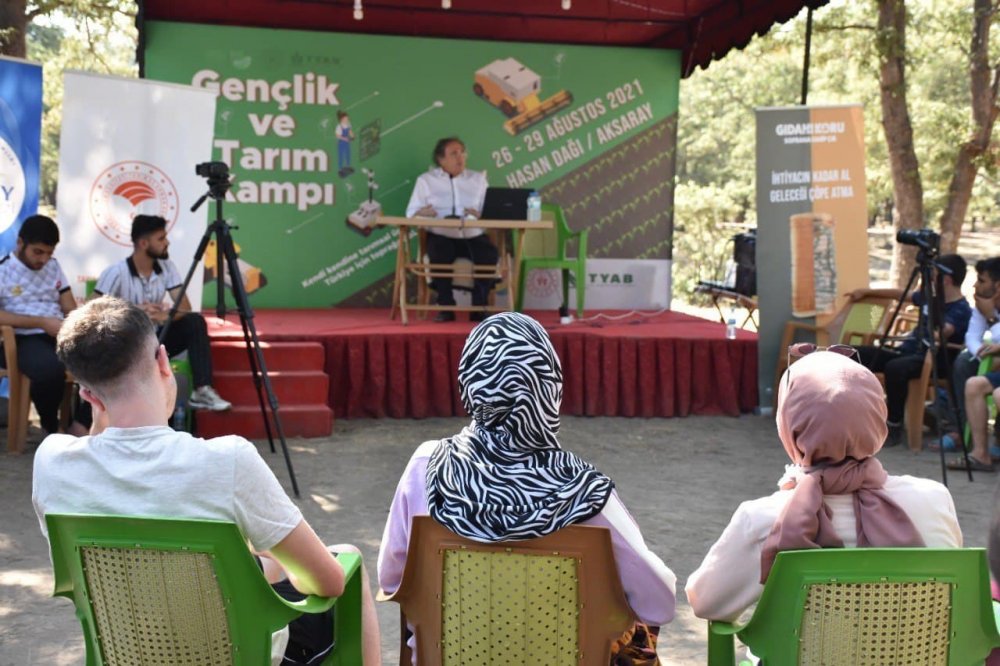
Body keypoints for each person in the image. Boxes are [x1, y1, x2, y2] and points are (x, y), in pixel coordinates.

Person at [32, 297, 381, 665]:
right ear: (163, 362)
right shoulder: (226, 460)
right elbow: (326, 583)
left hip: (130, 652)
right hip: (234, 653)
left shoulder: (53, 461)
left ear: (88, 395)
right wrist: (267, 565)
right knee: (346, 560)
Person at [378, 312, 675, 662]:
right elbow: (661, 601)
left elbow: (391, 579)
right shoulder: (585, 493)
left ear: (470, 383)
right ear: (550, 388)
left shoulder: (426, 468)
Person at [686, 350, 962, 623]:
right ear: (877, 418)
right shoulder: (934, 499)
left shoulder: (764, 519)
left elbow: (706, 603)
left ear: (788, 425)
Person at [92, 214, 231, 411]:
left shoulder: (166, 267)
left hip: (158, 338)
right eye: (161, 238)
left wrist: (165, 316)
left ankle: (202, 390)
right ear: (143, 243)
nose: (167, 242)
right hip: (127, 343)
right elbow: (91, 309)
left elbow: (184, 305)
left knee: (195, 321)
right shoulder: (116, 272)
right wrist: (135, 311)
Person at [849, 253, 971, 446]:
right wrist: (864, 291)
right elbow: (900, 294)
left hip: (934, 359)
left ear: (946, 280)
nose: (929, 279)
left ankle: (893, 425)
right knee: (852, 353)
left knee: (895, 368)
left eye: (933, 275)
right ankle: (848, 415)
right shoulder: (929, 298)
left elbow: (943, 332)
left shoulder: (961, 309)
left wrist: (934, 313)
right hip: (908, 352)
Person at [0, 215, 87, 436]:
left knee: (105, 357)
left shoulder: (53, 266)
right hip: (22, 338)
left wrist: (76, 326)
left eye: (49, 253)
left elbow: (68, 306)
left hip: (57, 332)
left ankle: (81, 424)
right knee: (50, 369)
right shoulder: (4, 269)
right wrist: (40, 322)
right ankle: (51, 426)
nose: (44, 259)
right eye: (38, 252)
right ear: (20, 243)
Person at [405, 137, 497, 323]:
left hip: (472, 235)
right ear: (441, 159)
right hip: (442, 234)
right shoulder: (426, 181)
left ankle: (479, 307)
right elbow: (410, 214)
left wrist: (480, 214)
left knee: (488, 254)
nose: (460, 157)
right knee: (438, 251)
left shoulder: (478, 180)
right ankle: (446, 306)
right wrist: (422, 212)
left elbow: (490, 213)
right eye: (454, 153)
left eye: (462, 152)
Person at [336, 110, 354, 178]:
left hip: (347, 142)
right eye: (346, 118)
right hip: (341, 143)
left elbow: (350, 130)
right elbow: (337, 136)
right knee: (341, 156)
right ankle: (340, 170)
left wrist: (352, 135)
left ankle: (348, 167)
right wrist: (345, 139)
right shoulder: (339, 126)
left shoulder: (348, 124)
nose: (347, 119)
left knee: (347, 154)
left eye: (347, 118)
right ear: (342, 119)